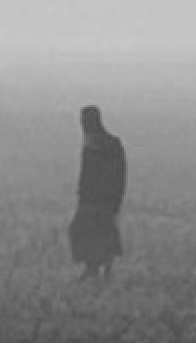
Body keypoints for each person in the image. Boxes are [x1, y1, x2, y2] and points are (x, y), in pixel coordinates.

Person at [68, 105, 127, 281]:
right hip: (89, 198)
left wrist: (114, 199)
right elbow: (85, 174)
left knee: (104, 233)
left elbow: (118, 173)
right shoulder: (91, 143)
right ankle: (91, 268)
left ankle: (105, 272)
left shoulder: (110, 144)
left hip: (104, 199)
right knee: (83, 230)